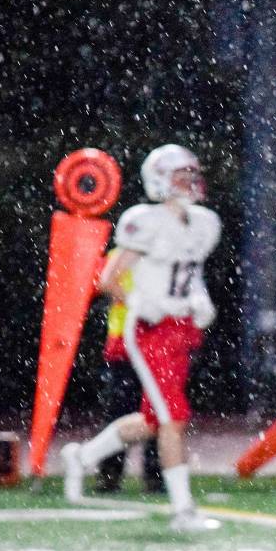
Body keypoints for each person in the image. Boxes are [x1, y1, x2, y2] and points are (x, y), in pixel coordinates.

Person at [61, 143, 221, 531]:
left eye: (191, 175)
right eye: (181, 176)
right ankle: (183, 510)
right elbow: (108, 278)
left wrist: (199, 300)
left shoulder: (203, 223)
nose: (190, 182)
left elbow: (190, 274)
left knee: (154, 418)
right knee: (172, 417)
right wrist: (140, 302)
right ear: (161, 180)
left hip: (181, 329)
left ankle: (81, 458)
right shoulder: (144, 220)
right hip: (148, 329)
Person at [94, 251, 164, 495]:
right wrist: (140, 305)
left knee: (159, 412)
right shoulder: (122, 254)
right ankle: (110, 474)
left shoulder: (163, 254)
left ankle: (155, 476)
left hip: (157, 342)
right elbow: (104, 283)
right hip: (126, 341)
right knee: (120, 409)